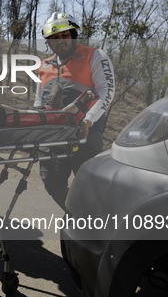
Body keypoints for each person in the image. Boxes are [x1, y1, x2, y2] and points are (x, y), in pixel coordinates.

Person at [35, 12, 115, 211]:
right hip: (54, 137)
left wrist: (87, 121)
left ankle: (95, 226)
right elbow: (39, 101)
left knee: (90, 187)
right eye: (54, 38)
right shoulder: (44, 66)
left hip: (86, 134)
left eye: (64, 35)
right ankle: (78, 216)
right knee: (51, 182)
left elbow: (106, 92)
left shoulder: (94, 55)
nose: (59, 41)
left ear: (73, 34)